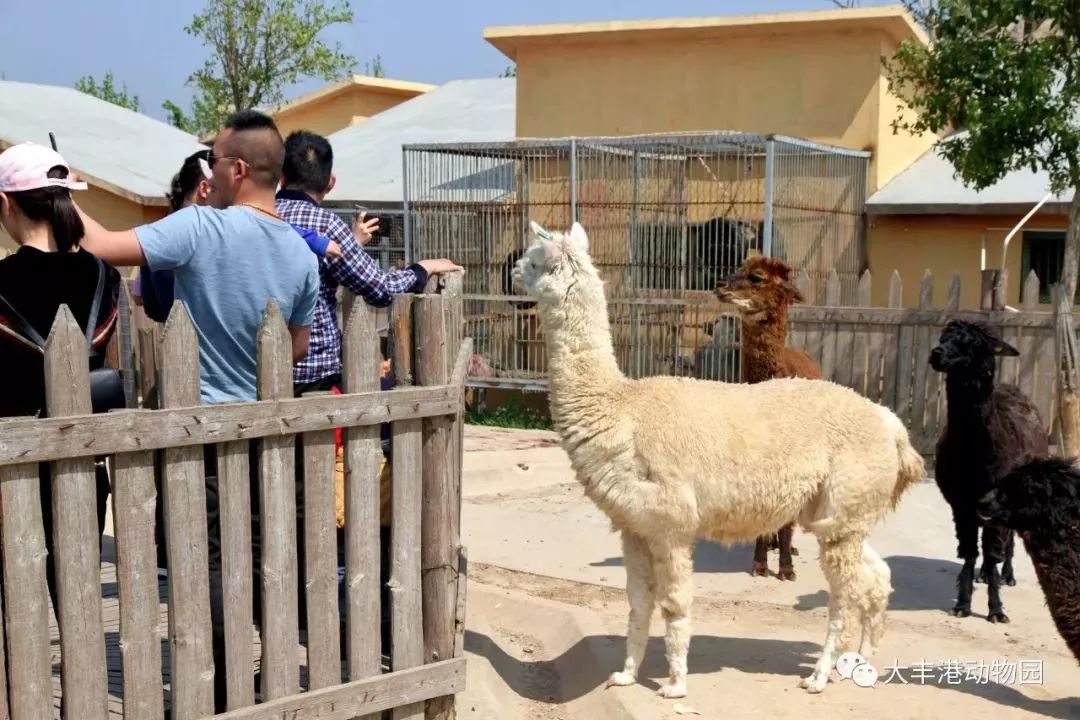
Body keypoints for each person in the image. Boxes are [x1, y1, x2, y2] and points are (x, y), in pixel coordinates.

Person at [75, 110, 321, 712]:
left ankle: (216, 677)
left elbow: (104, 246)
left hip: (200, 434)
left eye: (213, 161)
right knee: (266, 553)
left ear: (237, 169)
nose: (208, 173)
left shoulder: (199, 229)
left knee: (206, 559)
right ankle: (265, 671)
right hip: (268, 433)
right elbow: (294, 348)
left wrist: (63, 191)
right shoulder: (301, 253)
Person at [0, 142, 122, 715]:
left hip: (11, 472)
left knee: (15, 608)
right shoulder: (103, 277)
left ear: (7, 204)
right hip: (82, 463)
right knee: (74, 596)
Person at [275, 130, 463, 396]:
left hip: (260, 371)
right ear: (330, 182)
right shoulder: (325, 224)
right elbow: (381, 289)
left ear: (281, 178)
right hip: (315, 376)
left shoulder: (259, 217)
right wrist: (423, 268)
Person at [140, 149, 340, 323]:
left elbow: (152, 307)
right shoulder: (211, 228)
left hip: (176, 345)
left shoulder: (156, 233)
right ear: (205, 189)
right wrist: (316, 241)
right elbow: (269, 227)